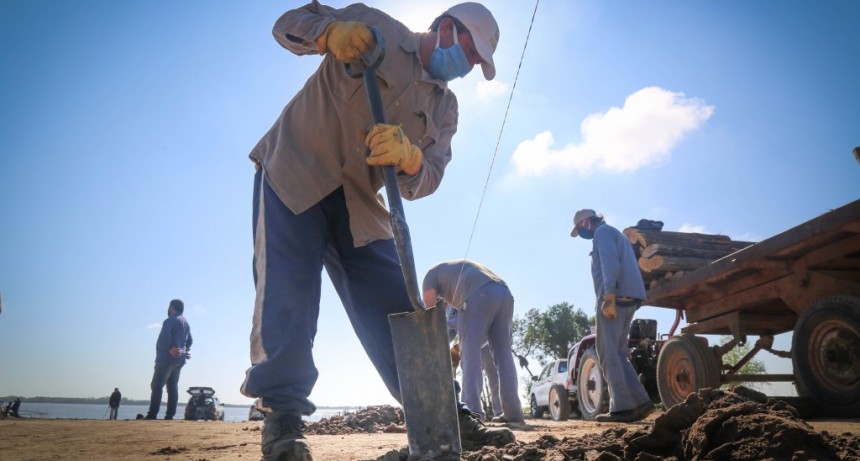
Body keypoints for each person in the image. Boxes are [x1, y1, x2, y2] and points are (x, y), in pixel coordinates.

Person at [239, 2, 512, 459]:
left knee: (396, 307)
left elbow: (429, 179)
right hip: (294, 172)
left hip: (359, 204)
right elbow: (287, 26)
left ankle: (441, 411)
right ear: (446, 29)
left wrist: (412, 160)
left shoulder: (445, 108)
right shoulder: (375, 24)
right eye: (471, 54)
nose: (468, 68)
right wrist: (328, 34)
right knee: (288, 297)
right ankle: (283, 421)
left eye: (478, 63)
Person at [570, 209, 655, 423]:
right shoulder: (614, 233)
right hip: (629, 296)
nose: (580, 233)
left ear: (587, 221)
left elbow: (609, 263)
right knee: (618, 352)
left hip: (615, 296)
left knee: (606, 352)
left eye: (580, 228)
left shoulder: (602, 233)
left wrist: (608, 295)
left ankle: (622, 408)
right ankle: (640, 402)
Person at [422, 260, 525, 427]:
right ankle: (513, 412)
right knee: (503, 354)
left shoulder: (430, 275)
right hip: (504, 293)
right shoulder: (452, 272)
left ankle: (472, 411)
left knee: (469, 354)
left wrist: (430, 346)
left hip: (478, 294)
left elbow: (431, 312)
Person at [447, 306, 503, 420]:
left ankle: (500, 412)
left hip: (486, 342)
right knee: (470, 378)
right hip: (467, 345)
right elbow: (450, 332)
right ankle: (471, 412)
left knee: (494, 378)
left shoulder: (464, 296)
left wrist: (443, 323)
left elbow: (463, 321)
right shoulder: (448, 310)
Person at [144, 299, 192, 420]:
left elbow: (166, 335)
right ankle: (170, 415)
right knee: (172, 387)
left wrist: (171, 348)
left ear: (172, 307)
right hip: (179, 360)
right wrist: (184, 350)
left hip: (165, 358)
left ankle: (152, 414)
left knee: (157, 386)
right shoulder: (186, 323)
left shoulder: (170, 321)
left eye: (169, 307)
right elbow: (190, 340)